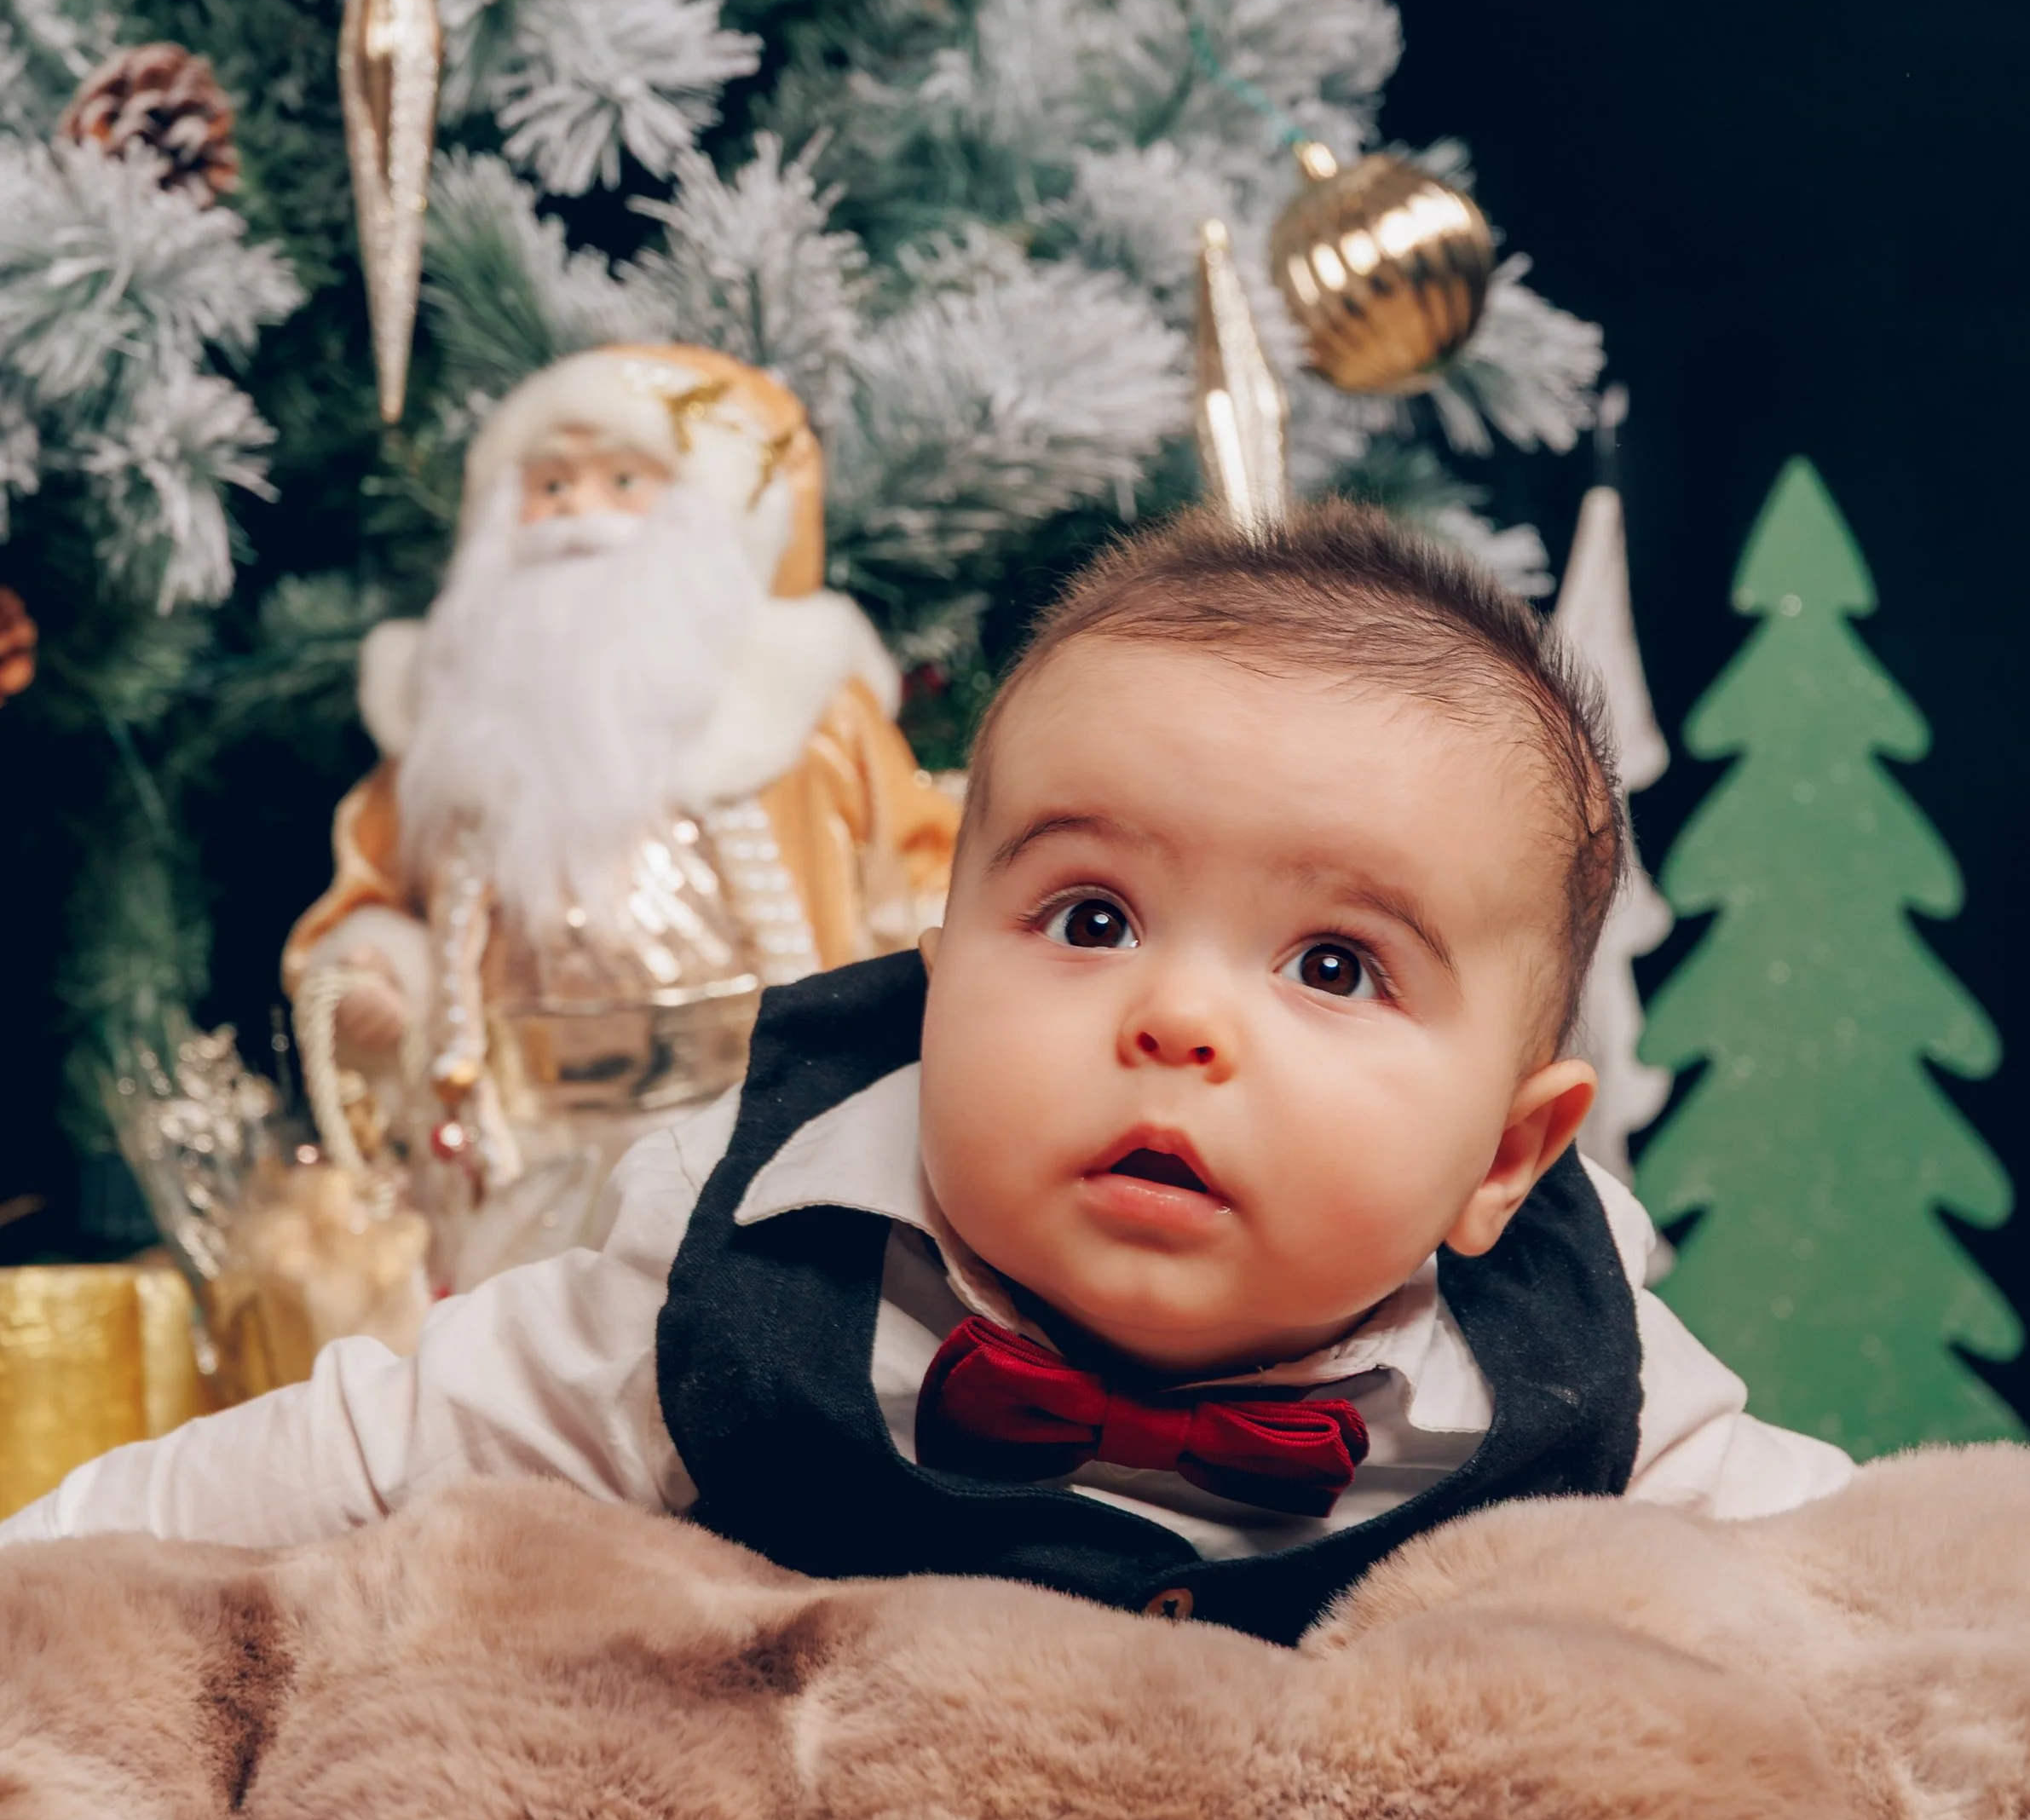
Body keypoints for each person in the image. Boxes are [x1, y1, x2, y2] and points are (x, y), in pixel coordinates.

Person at [2, 503, 1853, 1639]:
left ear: (1503, 1161)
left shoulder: (1576, 1373)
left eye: (1331, 964)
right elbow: (339, 1458)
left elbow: (1869, 1588)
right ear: (932, 961)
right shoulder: (739, 1286)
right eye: (1088, 920)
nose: (1176, 1023)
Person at [282, 340, 960, 1287]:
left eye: (623, 481)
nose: (577, 517)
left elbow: (927, 870)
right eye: (549, 486)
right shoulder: (452, 740)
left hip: (752, 1113)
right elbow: (377, 892)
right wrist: (371, 973)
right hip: (519, 1136)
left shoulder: (804, 712)